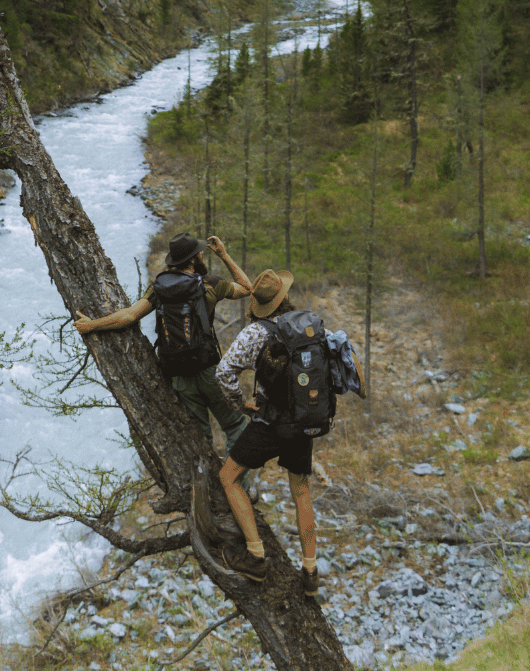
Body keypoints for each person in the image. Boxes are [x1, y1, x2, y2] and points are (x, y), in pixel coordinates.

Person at [215, 267, 363, 591]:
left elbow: (224, 373)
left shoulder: (254, 334)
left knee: (229, 477)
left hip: (270, 423)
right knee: (301, 491)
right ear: (284, 297)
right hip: (303, 424)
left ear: (259, 306)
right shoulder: (307, 325)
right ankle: (310, 571)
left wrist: (240, 405)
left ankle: (256, 555)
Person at [74, 233, 253, 472]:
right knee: (235, 427)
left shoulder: (158, 288)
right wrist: (224, 254)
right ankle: (236, 487)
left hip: (179, 377)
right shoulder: (210, 283)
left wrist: (91, 325)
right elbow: (246, 288)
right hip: (210, 370)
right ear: (196, 257)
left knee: (202, 439)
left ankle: (208, 486)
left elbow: (129, 316)